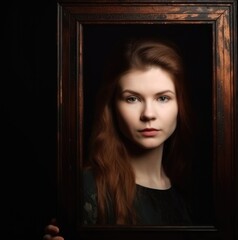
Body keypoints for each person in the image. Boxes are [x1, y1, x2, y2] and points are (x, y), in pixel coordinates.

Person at [44, 36, 195, 239]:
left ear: (180, 105)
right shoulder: (88, 187)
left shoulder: (186, 195)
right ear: (112, 106)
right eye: (132, 98)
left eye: (163, 98)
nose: (148, 113)